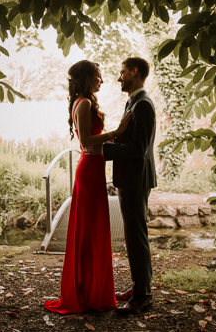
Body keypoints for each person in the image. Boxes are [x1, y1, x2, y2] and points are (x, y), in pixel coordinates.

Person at [44, 60, 131, 314]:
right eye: (98, 76)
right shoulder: (82, 103)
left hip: (95, 168)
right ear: (86, 78)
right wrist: (116, 132)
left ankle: (94, 291)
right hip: (89, 170)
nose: (102, 80)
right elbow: (85, 140)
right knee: (88, 232)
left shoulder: (87, 102)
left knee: (94, 231)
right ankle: (84, 293)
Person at [102, 57, 157, 315]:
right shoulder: (133, 102)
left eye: (122, 72)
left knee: (137, 237)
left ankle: (142, 296)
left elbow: (139, 148)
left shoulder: (143, 105)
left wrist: (106, 150)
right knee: (133, 236)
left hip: (136, 180)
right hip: (130, 179)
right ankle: (138, 288)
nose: (119, 77)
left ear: (135, 72)